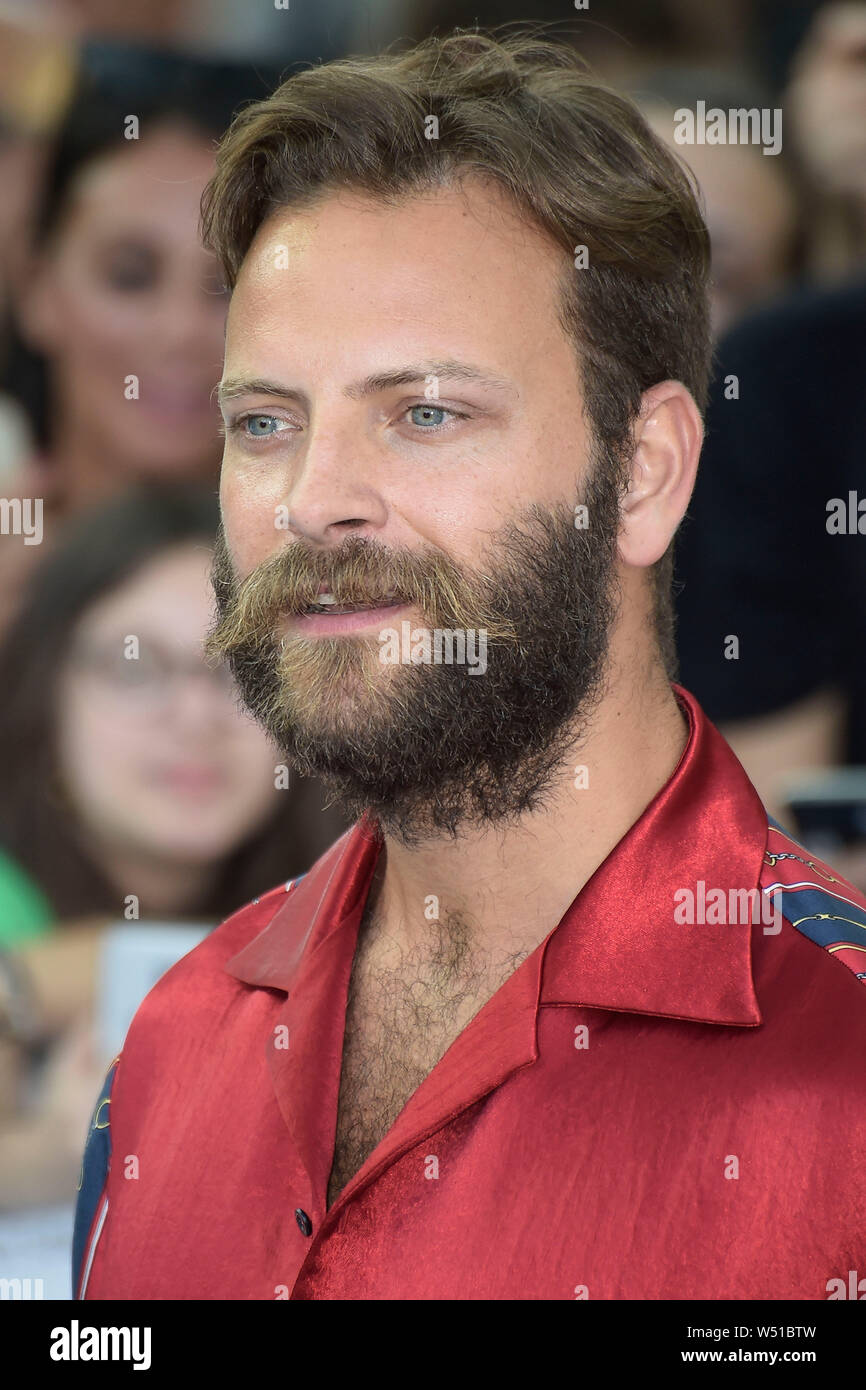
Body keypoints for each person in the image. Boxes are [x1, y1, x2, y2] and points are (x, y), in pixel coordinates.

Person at [73, 30, 866, 1301]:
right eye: (265, 422)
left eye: (426, 413)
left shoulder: (845, 1075)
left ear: (644, 470)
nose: (315, 499)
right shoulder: (173, 1039)